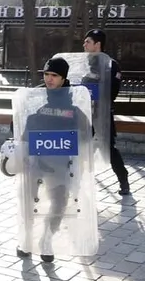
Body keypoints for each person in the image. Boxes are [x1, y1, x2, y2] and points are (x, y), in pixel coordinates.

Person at [17, 57, 90, 263]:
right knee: (27, 201)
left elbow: (86, 133)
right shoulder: (35, 97)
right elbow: (20, 123)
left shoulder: (74, 101)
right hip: (34, 160)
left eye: (54, 75)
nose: (49, 79)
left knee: (58, 203)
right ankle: (26, 239)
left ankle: (46, 240)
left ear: (63, 78)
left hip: (60, 163)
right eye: (46, 74)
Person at [83, 29, 130, 195]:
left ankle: (123, 180)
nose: (84, 45)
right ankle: (75, 182)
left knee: (109, 149)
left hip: (102, 114)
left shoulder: (111, 65)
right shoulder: (84, 64)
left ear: (97, 44)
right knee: (81, 148)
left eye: (87, 41)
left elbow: (112, 92)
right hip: (85, 114)